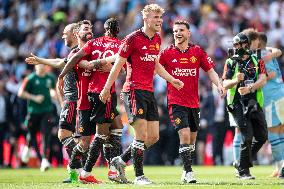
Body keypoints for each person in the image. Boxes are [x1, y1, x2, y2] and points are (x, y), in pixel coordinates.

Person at [99, 4, 184, 185]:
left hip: (149, 92)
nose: (159, 21)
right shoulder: (132, 39)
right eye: (155, 17)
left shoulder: (157, 39)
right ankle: (139, 176)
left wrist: (171, 79)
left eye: (160, 18)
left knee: (153, 137)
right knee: (141, 135)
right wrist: (106, 88)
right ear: (145, 19)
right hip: (133, 91)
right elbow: (117, 65)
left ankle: (120, 161)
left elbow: (156, 65)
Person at [159, 20, 225, 183]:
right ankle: (188, 172)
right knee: (185, 134)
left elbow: (210, 71)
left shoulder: (197, 51)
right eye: (175, 31)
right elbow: (155, 68)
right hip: (175, 102)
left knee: (192, 140)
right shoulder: (166, 52)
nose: (177, 33)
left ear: (189, 33)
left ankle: (184, 168)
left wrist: (219, 85)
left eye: (181, 30)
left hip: (194, 103)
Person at [25, 23, 83, 182]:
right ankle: (77, 171)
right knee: (72, 136)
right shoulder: (74, 52)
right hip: (73, 99)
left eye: (65, 33)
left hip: (75, 99)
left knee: (66, 135)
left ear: (74, 33)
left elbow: (61, 63)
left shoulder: (80, 50)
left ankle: (81, 169)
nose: (63, 36)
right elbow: (60, 61)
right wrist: (41, 60)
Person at [223, 33, 268, 179]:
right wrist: (236, 81)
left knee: (262, 136)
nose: (236, 48)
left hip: (254, 101)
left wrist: (250, 88)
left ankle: (241, 162)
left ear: (246, 44)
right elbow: (224, 84)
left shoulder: (257, 60)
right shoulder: (231, 61)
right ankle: (244, 171)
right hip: (236, 103)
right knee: (247, 136)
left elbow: (263, 79)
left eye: (238, 45)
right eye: (234, 45)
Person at [18, 63, 56, 172]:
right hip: (33, 112)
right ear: (35, 67)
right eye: (40, 65)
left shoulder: (50, 78)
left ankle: (44, 160)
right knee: (31, 133)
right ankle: (27, 146)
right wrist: (34, 97)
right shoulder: (30, 78)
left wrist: (53, 94)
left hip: (47, 111)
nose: (42, 67)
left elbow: (53, 89)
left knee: (45, 135)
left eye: (43, 65)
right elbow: (20, 93)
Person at [259, 32, 284, 178]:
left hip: (274, 99)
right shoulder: (266, 52)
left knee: (275, 133)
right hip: (275, 97)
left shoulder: (263, 55)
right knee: (277, 133)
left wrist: (254, 79)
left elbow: (272, 74)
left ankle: (281, 166)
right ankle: (279, 166)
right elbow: (277, 51)